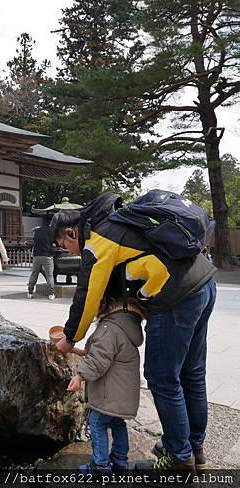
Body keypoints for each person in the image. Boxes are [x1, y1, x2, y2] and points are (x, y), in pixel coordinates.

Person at [51, 192, 216, 473]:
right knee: (191, 373)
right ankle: (193, 448)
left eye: (63, 244)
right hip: (204, 284)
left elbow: (87, 295)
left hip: (175, 297)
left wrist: (70, 338)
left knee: (162, 378)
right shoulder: (121, 222)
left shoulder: (98, 238)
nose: (68, 251)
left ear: (71, 231)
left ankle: (179, 459)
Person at [67, 296, 144, 475]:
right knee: (117, 423)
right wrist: (81, 351)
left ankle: (100, 467)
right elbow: (108, 351)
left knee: (96, 422)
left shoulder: (109, 328)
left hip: (109, 393)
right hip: (122, 393)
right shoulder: (125, 326)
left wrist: (80, 376)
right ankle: (120, 463)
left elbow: (99, 359)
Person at [27, 218, 55, 300]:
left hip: (37, 255)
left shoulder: (37, 231)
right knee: (49, 275)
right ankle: (51, 294)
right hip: (47, 255)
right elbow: (52, 242)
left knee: (34, 274)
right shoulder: (50, 231)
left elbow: (34, 242)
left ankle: (30, 292)